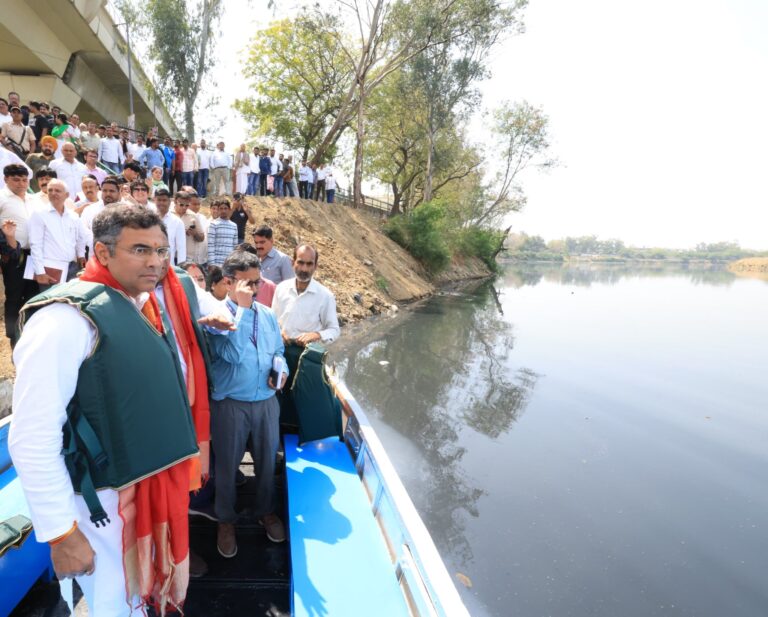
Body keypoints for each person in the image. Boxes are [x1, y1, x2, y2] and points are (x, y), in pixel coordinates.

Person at [9, 205, 204, 614]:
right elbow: (31, 435)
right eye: (140, 249)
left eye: (161, 251)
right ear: (102, 252)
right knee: (116, 606)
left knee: (136, 604)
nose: (155, 262)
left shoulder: (134, 304)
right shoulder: (64, 319)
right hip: (103, 504)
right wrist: (61, 533)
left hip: (140, 492)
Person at [207, 250, 289, 557]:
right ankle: (225, 519)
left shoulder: (266, 314)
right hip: (231, 403)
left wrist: (281, 370)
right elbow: (232, 354)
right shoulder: (216, 316)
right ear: (229, 282)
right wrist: (241, 310)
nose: (255, 290)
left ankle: (265, 510)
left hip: (266, 402)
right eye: (248, 284)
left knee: (267, 462)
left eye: (258, 283)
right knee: (227, 465)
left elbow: (278, 349)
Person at [0, 164, 39, 347]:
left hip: (35, 255)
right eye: (16, 179)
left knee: (32, 294)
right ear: (6, 179)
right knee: (14, 296)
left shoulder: (33, 199)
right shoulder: (2, 198)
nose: (21, 183)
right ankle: (14, 337)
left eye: (24, 180)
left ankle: (30, 333)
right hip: (13, 255)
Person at [25, 179, 86, 289]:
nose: (53, 193)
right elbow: (35, 244)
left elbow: (81, 237)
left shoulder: (73, 216)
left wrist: (81, 254)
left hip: (72, 267)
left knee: (71, 299)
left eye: (57, 190)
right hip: (49, 270)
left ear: (67, 195)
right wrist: (40, 272)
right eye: (50, 190)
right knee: (52, 300)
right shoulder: (39, 214)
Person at [81, 175, 120, 256]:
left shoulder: (126, 210)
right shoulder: (89, 210)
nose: (108, 194)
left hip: (119, 254)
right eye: (105, 191)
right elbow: (82, 230)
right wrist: (97, 242)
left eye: (112, 191)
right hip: (95, 253)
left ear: (119, 193)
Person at [152, 188, 186, 265]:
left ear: (170, 202)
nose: (161, 203)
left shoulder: (177, 222)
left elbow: (181, 248)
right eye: (159, 200)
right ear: (154, 200)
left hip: (168, 266)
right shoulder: (148, 219)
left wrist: (181, 268)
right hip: (150, 264)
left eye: (164, 200)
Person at [206, 198, 238, 266]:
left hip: (229, 264)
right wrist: (212, 264)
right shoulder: (213, 224)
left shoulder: (234, 226)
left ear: (229, 210)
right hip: (216, 264)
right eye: (221, 208)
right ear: (219, 210)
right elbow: (210, 246)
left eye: (225, 208)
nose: (223, 211)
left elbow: (235, 247)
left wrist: (233, 263)